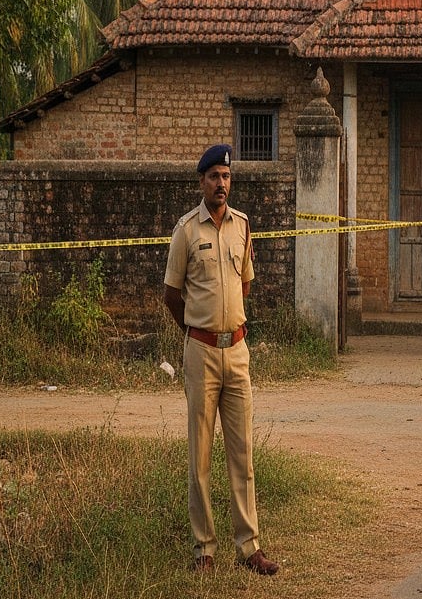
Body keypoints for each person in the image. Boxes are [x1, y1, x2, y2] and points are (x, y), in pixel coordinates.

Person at [163, 144, 280, 576]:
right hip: (201, 352)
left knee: (243, 453)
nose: (221, 184)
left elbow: (245, 284)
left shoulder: (243, 228)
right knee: (200, 455)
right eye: (214, 176)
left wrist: (228, 331)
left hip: (238, 351)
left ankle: (249, 548)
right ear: (201, 181)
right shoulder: (186, 232)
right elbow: (171, 296)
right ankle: (204, 550)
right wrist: (198, 332)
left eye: (226, 176)